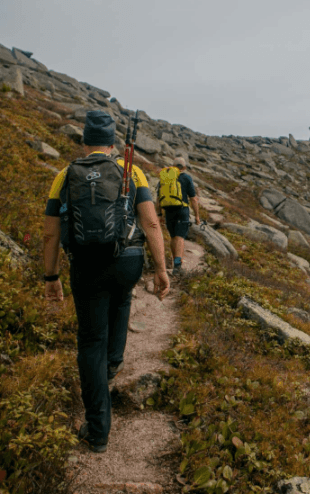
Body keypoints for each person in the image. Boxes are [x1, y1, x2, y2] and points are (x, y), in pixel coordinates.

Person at [43, 110, 170, 453]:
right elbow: (152, 225)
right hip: (127, 261)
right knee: (122, 296)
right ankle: (114, 361)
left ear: (84, 141)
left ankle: (97, 430)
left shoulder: (64, 175)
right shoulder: (133, 172)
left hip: (86, 265)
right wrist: (161, 269)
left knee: (89, 342)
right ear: (113, 143)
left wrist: (51, 276)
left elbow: (50, 233)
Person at [157, 156, 201, 274]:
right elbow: (193, 199)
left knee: (173, 237)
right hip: (182, 210)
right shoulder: (186, 178)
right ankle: (177, 265)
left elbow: (158, 198)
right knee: (180, 237)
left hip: (168, 210)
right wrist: (197, 216)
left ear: (173, 166)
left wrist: (160, 214)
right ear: (184, 167)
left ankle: (174, 263)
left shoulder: (165, 177)